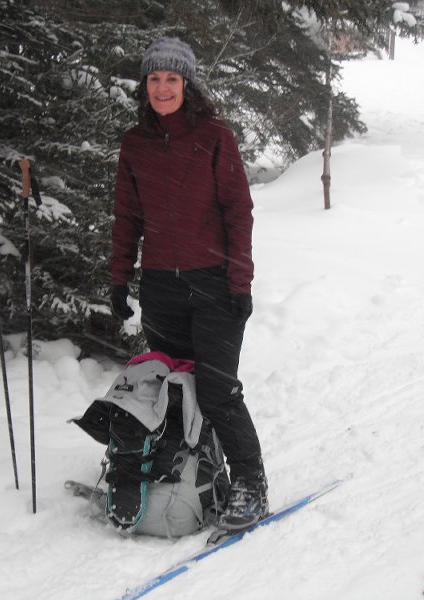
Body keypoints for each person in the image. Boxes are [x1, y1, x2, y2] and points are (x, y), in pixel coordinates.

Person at [109, 36, 268, 530]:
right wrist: (119, 278)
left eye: (171, 79)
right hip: (161, 287)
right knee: (175, 387)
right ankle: (192, 469)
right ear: (145, 86)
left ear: (187, 84)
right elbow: (126, 216)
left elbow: (238, 212)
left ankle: (250, 482)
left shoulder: (214, 136)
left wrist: (239, 281)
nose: (162, 88)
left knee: (217, 390)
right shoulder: (135, 143)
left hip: (214, 285)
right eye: (154, 79)